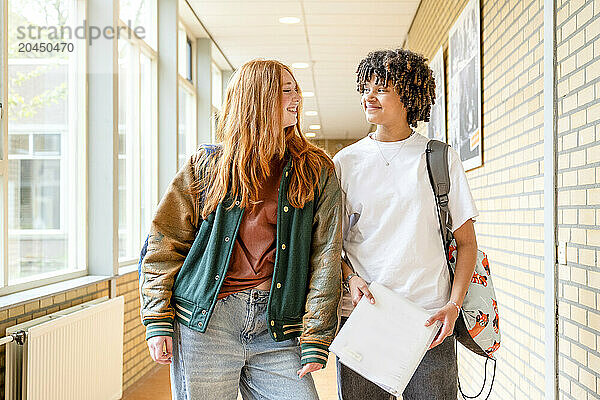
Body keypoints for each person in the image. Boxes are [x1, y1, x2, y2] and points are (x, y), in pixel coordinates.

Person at [139, 59, 342, 400]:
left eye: (296, 89)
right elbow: (164, 242)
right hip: (206, 321)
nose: (297, 97)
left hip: (278, 324)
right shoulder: (207, 165)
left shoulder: (316, 168)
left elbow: (326, 255)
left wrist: (317, 335)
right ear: (257, 99)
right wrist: (157, 318)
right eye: (286, 90)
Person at [333, 49, 479, 400]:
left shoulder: (440, 157)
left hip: (430, 321)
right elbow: (328, 247)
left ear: (409, 94)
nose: (369, 96)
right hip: (365, 318)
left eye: (381, 87)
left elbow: (468, 243)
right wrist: (350, 278)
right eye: (365, 87)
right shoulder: (346, 163)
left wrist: (454, 306)